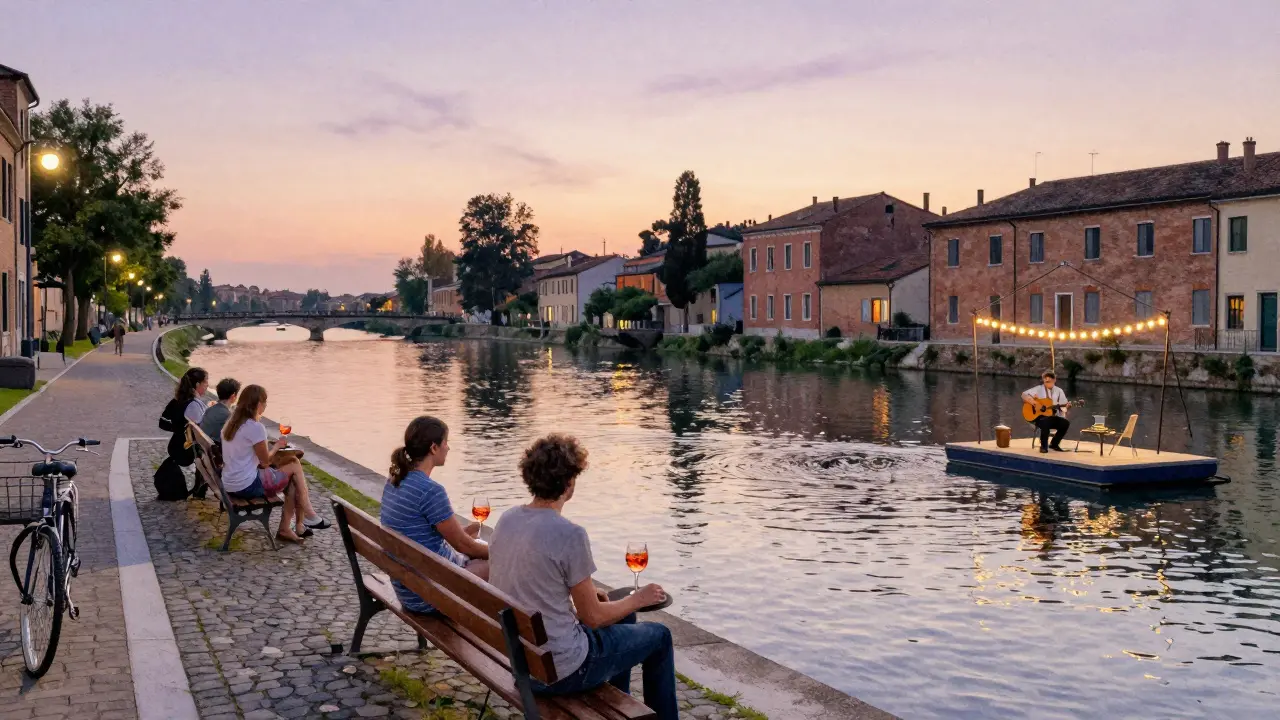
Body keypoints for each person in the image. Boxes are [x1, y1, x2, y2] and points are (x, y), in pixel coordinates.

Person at [489, 435, 677, 719]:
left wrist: (599, 602)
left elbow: (538, 588)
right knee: (660, 637)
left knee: (622, 617)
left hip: (523, 660)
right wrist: (639, 598)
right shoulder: (569, 534)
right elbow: (594, 618)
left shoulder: (507, 519)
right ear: (569, 484)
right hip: (561, 669)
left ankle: (618, 707)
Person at [380, 417, 490, 613]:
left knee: (478, 547)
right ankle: (500, 633)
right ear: (434, 448)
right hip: (431, 595)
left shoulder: (395, 480)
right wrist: (500, 551)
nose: (448, 448)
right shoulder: (430, 491)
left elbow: (420, 533)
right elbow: (463, 546)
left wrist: (463, 536)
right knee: (500, 563)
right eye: (446, 442)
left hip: (408, 588)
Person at [221, 384, 331, 542]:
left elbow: (246, 454)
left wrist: (269, 449)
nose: (265, 406)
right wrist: (278, 447)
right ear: (258, 403)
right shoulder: (255, 427)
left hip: (229, 482)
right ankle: (306, 515)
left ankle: (298, 525)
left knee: (292, 478)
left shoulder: (230, 424)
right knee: (293, 463)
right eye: (265, 402)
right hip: (246, 486)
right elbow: (265, 463)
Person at [1022, 370, 1072, 453]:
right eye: (1045, 381)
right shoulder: (1039, 389)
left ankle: (1054, 444)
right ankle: (1043, 447)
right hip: (1037, 417)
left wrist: (1067, 406)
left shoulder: (1059, 391)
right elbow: (1024, 395)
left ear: (1054, 380)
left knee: (1065, 423)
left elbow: (1063, 407)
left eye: (1049, 381)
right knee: (1045, 421)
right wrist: (1035, 403)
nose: (1046, 383)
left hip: (1051, 416)